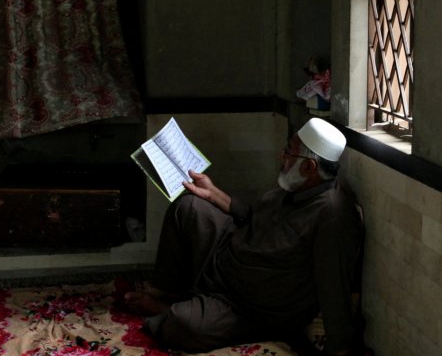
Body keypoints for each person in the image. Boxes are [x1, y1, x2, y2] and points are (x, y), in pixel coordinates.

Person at [124, 117, 364, 355]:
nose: (282, 157)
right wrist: (213, 192)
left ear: (309, 167)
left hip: (248, 307)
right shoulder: (300, 184)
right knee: (188, 207)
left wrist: (340, 345)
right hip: (229, 254)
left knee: (181, 324)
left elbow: (334, 285)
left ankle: (168, 309)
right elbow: (252, 216)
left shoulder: (332, 215)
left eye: (288, 152)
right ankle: (168, 290)